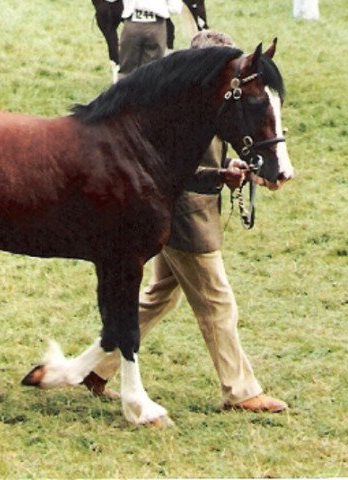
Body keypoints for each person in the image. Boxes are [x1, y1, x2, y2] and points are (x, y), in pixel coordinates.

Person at [82, 30, 288, 413]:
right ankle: (241, 391)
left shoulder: (209, 101)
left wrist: (230, 166)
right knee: (217, 300)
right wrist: (219, 175)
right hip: (186, 213)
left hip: (192, 209)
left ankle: (93, 369)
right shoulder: (186, 106)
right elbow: (172, 169)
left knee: (160, 296)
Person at [117, 0, 183, 81]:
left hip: (133, 23)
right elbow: (176, 8)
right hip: (156, 26)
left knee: (126, 70)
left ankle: (124, 91)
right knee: (153, 71)